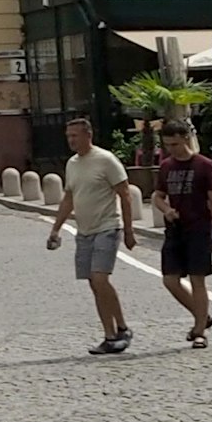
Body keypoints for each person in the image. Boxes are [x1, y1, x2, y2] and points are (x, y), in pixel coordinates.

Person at [47, 114, 137, 354]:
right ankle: (110, 334)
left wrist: (129, 230)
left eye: (75, 136)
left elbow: (125, 195)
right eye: (68, 136)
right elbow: (69, 198)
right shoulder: (73, 164)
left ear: (89, 135)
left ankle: (123, 327)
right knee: (94, 283)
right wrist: (56, 228)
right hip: (84, 230)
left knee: (100, 278)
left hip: (107, 227)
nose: (71, 141)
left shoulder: (106, 160)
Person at [152, 119, 212, 348]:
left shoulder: (204, 165)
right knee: (170, 280)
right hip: (175, 229)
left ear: (185, 138)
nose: (171, 149)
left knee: (197, 279)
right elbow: (157, 196)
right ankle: (202, 316)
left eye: (174, 144)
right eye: (167, 145)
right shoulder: (166, 166)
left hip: (199, 228)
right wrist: (167, 210)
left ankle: (200, 330)